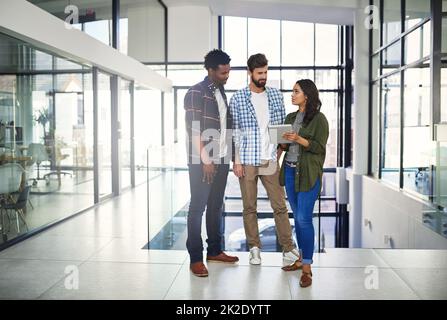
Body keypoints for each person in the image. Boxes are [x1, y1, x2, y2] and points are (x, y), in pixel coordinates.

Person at [229, 53, 300, 265]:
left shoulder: (276, 96)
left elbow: (281, 128)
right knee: (249, 207)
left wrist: (279, 151)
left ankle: (288, 249)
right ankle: (254, 248)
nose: (263, 76)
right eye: (260, 73)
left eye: (266, 72)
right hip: (248, 160)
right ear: (250, 73)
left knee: (279, 206)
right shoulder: (238, 98)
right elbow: (234, 132)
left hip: (270, 160)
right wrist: (237, 161)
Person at [184, 49, 239, 277]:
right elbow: (193, 129)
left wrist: (232, 156)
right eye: (223, 73)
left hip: (222, 157)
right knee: (198, 208)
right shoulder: (195, 92)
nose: (227, 76)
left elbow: (226, 127)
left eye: (228, 72)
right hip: (202, 160)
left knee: (216, 206)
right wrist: (206, 159)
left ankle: (214, 250)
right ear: (211, 70)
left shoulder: (221, 92)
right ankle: (196, 258)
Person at [279, 79, 329, 288]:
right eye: (292, 91)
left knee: (304, 218)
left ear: (307, 95)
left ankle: (307, 267)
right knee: (298, 220)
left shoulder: (319, 119)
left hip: (308, 174)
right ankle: (300, 259)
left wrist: (298, 139)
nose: (292, 95)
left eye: (296, 91)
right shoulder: (290, 117)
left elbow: (319, 147)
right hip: (290, 171)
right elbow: (285, 145)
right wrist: (282, 141)